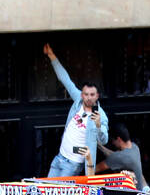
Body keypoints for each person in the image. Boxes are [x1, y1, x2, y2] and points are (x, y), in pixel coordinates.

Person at [43, 43, 108, 178]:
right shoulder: (78, 102)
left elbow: (104, 140)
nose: (89, 98)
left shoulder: (100, 114)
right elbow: (65, 80)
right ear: (82, 94)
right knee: (47, 191)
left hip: (73, 163)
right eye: (86, 94)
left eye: (92, 95)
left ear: (97, 96)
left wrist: (98, 125)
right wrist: (51, 55)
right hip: (60, 156)